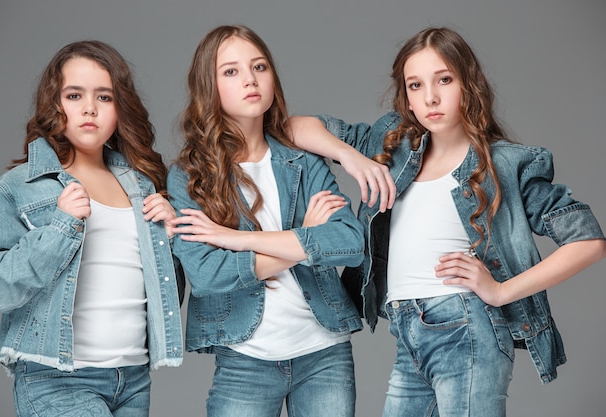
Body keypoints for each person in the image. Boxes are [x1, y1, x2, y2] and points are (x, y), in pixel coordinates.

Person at [290, 26, 606, 417]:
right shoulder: (392, 145)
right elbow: (294, 128)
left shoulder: (504, 164)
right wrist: (351, 158)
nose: (431, 97)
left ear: (468, 84)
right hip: (406, 330)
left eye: (444, 79)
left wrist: (501, 291)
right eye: (416, 85)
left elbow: (588, 241)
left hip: (466, 327)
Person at [166, 25, 365, 417]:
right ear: (209, 86)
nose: (250, 79)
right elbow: (207, 274)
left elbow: (350, 242)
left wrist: (235, 239)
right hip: (245, 359)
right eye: (231, 71)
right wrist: (304, 238)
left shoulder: (303, 160)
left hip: (324, 351)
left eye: (259, 67)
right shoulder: (189, 176)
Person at [0, 40, 184, 417]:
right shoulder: (20, 186)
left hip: (132, 379)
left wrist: (169, 242)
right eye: (75, 95)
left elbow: (161, 292)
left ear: (121, 108)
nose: (90, 108)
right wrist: (60, 228)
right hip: (57, 379)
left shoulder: (141, 186)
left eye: (104, 97)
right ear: (54, 105)